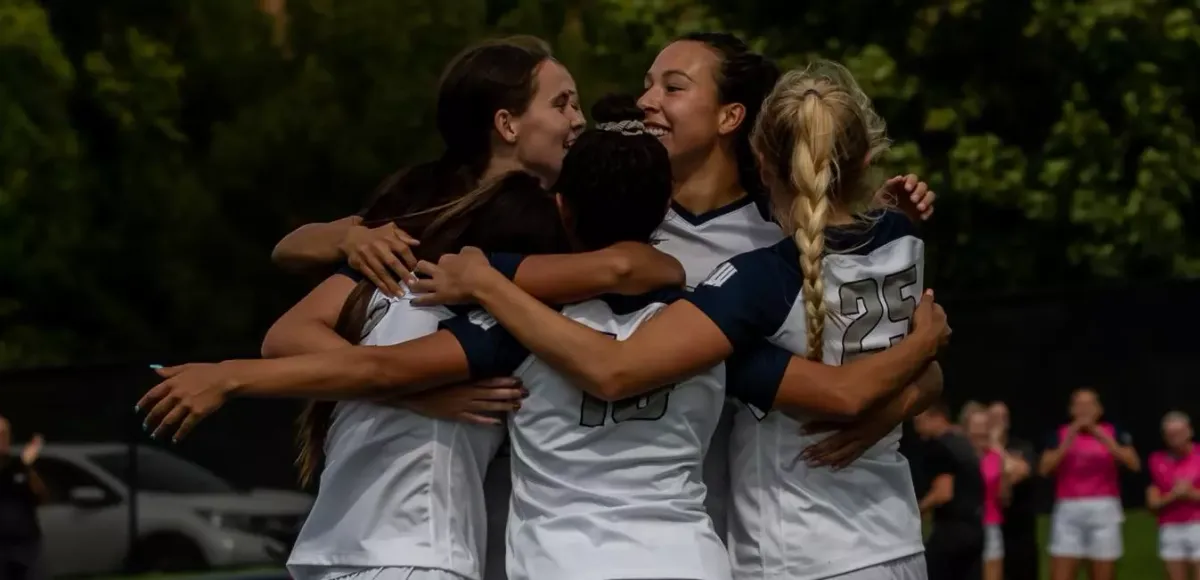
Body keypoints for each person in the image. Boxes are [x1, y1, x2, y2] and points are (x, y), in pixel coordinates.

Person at [137, 95, 947, 580]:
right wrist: (919, 360)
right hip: (691, 561)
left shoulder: (519, 326)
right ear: (663, 207)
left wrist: (230, 375)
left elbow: (375, 371)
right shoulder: (708, 323)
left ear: (564, 212)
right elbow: (832, 390)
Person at [405, 60, 947, 580]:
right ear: (860, 157)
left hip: (800, 548)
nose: (650, 101)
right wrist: (919, 364)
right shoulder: (901, 238)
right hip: (887, 533)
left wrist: (487, 282)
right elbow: (884, 370)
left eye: (673, 86)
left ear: (761, 157)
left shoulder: (756, 280)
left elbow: (616, 369)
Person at [1039, 388, 1140, 580]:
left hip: (1104, 507)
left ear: (1098, 409)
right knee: (1062, 571)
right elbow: (1045, 468)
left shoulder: (1113, 431)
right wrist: (1070, 437)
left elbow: (1133, 463)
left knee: (1103, 571)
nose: (1084, 410)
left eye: (1089, 404)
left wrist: (1101, 436)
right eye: (1079, 405)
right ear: (1071, 410)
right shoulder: (1059, 434)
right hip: (1069, 508)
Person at [913, 402, 984, 580]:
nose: (917, 428)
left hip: (951, 533)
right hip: (975, 529)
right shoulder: (964, 444)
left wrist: (916, 510)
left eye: (920, 422)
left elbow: (943, 493)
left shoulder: (940, 447)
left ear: (936, 417)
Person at [964, 409, 1030, 580]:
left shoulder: (995, 456)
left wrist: (996, 446)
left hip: (991, 524)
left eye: (985, 425)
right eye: (976, 425)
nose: (980, 430)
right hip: (963, 526)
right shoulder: (960, 455)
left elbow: (1008, 491)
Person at [986, 401, 1038, 580]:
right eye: (993, 417)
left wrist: (995, 445)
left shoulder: (1022, 447)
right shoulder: (978, 449)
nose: (998, 422)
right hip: (989, 523)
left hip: (1019, 527)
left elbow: (1020, 472)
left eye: (1002, 417)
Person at [1148, 411, 1200, 580]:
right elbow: (1153, 503)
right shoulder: (1156, 460)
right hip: (1170, 527)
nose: (1175, 438)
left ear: (1189, 431)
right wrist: (1174, 495)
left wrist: (1191, 493)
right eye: (1170, 434)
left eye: (1179, 433)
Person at [0, 418, 46, 580]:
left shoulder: (19, 465)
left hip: (26, 544)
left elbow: (41, 495)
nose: (2, 439)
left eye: (5, 435)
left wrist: (27, 467)